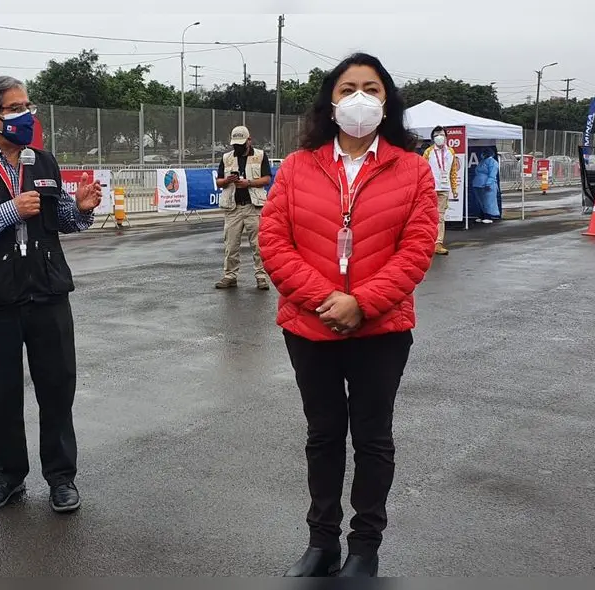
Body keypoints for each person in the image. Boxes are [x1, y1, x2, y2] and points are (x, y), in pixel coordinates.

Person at [258, 53, 438, 578]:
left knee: (373, 437)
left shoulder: (413, 168)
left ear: (388, 100)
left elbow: (417, 246)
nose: (360, 98)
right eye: (348, 88)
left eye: (372, 88)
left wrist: (362, 302)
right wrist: (324, 300)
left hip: (381, 328)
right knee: (323, 435)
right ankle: (322, 541)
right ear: (330, 101)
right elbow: (274, 240)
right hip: (309, 326)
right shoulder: (297, 166)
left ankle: (365, 548)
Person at [0, 76, 103, 513]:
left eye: (27, 105)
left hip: (48, 293)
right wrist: (9, 210)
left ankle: (61, 478)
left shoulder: (44, 162)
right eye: (14, 108)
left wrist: (80, 209)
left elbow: (60, 221)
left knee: (57, 390)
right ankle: (8, 475)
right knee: (3, 395)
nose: (25, 115)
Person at [215, 125, 273, 290]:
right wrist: (228, 180)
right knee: (231, 244)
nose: (238, 147)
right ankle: (230, 276)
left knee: (258, 244)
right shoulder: (227, 157)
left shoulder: (260, 155)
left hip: (253, 207)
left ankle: (261, 277)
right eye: (235, 144)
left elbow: (267, 179)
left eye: (241, 144)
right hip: (233, 207)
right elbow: (218, 181)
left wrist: (248, 183)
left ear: (249, 140)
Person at [422, 126, 459, 255]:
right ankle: (426, 242)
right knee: (428, 216)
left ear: (446, 137)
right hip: (430, 188)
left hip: (444, 188)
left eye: (442, 134)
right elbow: (422, 170)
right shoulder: (428, 152)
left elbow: (453, 171)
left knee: (440, 217)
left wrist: (454, 188)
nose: (439, 136)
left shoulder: (451, 152)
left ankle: (438, 243)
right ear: (432, 137)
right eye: (437, 134)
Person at [471, 148, 501, 223]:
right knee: (481, 201)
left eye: (484, 153)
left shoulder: (493, 162)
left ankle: (489, 216)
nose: (482, 154)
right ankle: (482, 215)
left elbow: (492, 174)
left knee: (489, 201)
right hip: (478, 184)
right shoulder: (482, 161)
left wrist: (488, 183)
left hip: (487, 185)